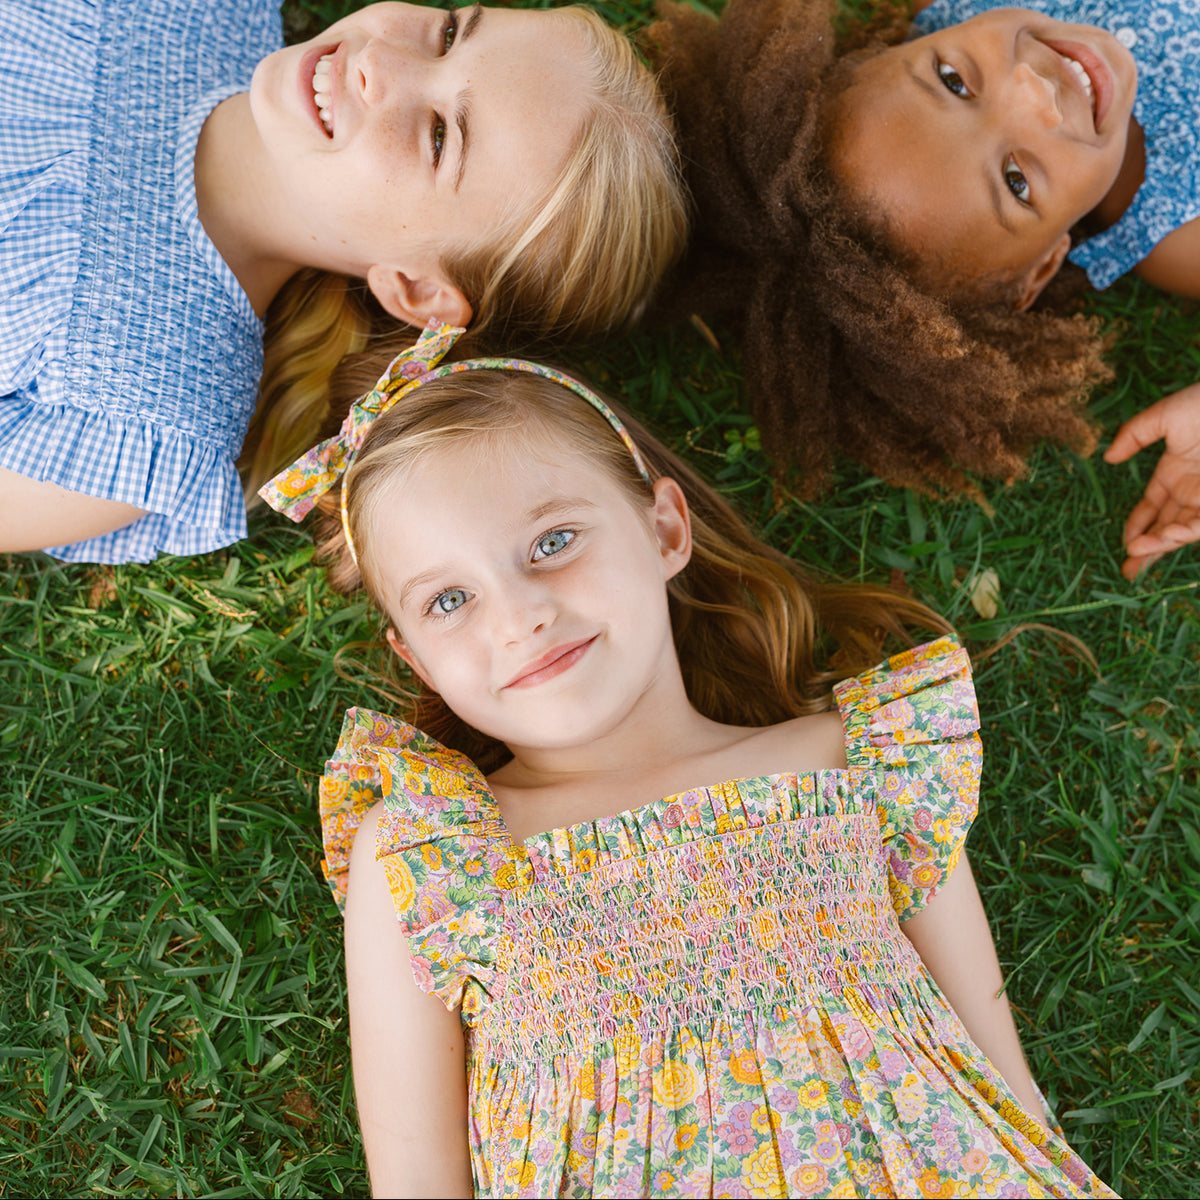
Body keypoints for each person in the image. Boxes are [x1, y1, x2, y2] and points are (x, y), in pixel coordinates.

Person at [261, 324, 1118, 1196]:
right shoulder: (432, 850)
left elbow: (997, 1074)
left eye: (552, 542)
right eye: (449, 599)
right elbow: (414, 1179)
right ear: (414, 659)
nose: (518, 616)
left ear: (666, 530)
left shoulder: (861, 761)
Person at [0, 0, 685, 563]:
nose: (379, 60)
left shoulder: (139, 412)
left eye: (440, 137)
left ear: (418, 291)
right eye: (449, 33)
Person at [649, 0, 1199, 578]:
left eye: (954, 81)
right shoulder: (1177, 226)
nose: (1032, 87)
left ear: (885, 51)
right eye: (1016, 182)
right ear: (1040, 268)